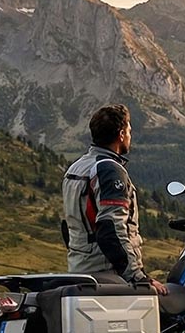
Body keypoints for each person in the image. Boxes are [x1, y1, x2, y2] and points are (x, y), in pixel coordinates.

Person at [61, 104, 167, 296]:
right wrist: (137, 276)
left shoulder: (76, 168)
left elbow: (68, 226)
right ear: (121, 134)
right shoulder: (109, 170)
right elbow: (111, 228)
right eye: (129, 131)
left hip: (80, 269)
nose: (130, 136)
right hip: (107, 272)